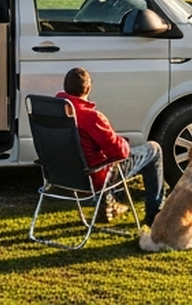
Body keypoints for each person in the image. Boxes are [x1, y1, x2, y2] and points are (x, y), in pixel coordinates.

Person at [56, 67, 163, 223]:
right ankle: (155, 214)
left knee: (98, 154)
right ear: (88, 88)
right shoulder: (91, 117)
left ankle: (108, 205)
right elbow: (120, 152)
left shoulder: (55, 109)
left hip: (63, 174)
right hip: (94, 176)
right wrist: (123, 142)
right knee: (154, 150)